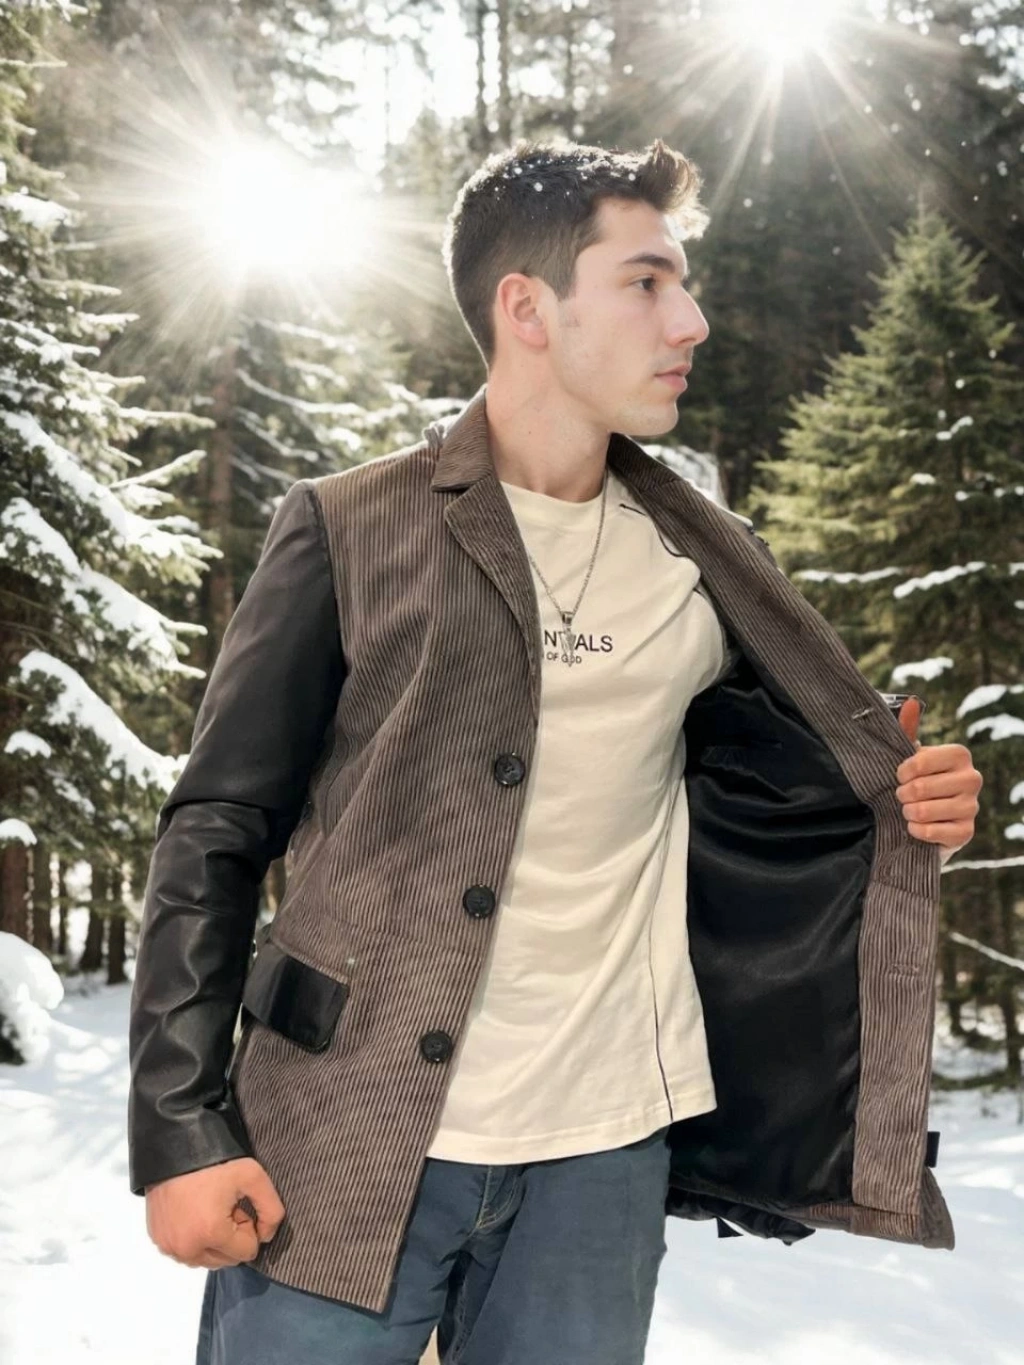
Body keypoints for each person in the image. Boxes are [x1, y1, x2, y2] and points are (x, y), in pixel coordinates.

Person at [128, 137, 982, 1365]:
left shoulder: (707, 561)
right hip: (344, 1131)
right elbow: (216, 830)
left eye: (684, 282)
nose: (689, 320)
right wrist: (180, 1130)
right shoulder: (349, 528)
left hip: (602, 1163)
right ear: (526, 308)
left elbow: (793, 796)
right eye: (645, 282)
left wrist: (913, 800)